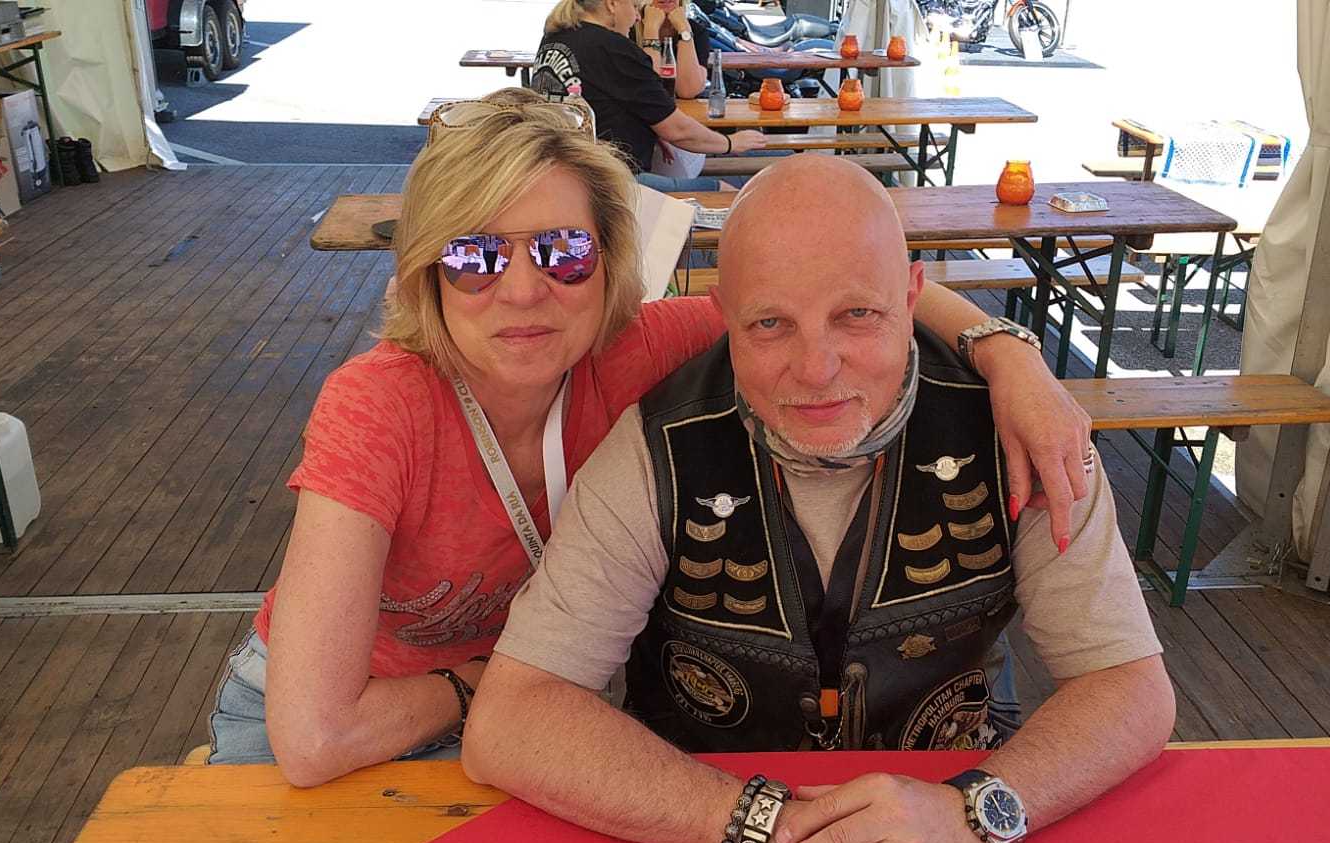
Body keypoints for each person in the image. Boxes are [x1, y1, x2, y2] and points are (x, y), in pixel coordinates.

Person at [205, 90, 1096, 788]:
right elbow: (315, 738)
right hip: (328, 727)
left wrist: (1009, 355)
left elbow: (845, 293)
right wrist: (484, 680)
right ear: (429, 272)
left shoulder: (633, 348)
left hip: (515, 711)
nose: (524, 291)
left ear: (608, 260)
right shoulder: (378, 407)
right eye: (476, 255)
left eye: (562, 251)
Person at [462, 155, 1174, 843]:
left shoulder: (1022, 434)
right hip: (695, 833)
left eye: (856, 315)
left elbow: (1129, 685)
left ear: (911, 297)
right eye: (770, 324)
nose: (816, 368)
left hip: (956, 827)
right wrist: (756, 825)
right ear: (724, 317)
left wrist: (972, 812)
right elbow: (514, 717)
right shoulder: (655, 449)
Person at [533, 0, 764, 191]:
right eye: (634, 7)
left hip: (556, 171)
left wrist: (648, 128)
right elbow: (677, 130)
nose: (637, 17)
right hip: (608, 182)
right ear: (612, 4)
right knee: (724, 192)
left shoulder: (555, 37)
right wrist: (730, 142)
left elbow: (599, 101)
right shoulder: (612, 47)